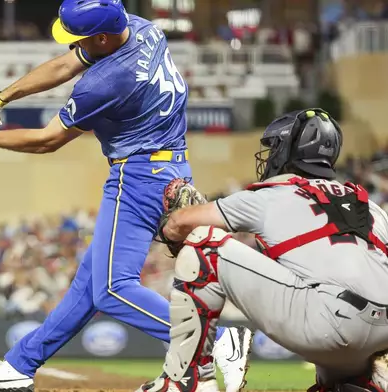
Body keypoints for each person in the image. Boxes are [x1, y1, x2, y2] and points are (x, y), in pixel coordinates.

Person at [0, 0, 251, 391]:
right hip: (166, 165)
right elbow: (64, 64)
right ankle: (19, 366)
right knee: (89, 287)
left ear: (103, 37)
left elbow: (46, 141)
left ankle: (218, 340)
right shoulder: (141, 28)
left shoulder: (109, 80)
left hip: (138, 174)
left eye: (82, 37)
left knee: (111, 289)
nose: (74, 44)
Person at [150, 108, 388, 392]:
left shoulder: (273, 194)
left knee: (205, 245)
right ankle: (362, 382)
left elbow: (179, 223)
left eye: (275, 147)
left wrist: (169, 226)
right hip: (380, 334)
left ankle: (185, 381)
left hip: (329, 327)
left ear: (288, 151)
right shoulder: (369, 205)